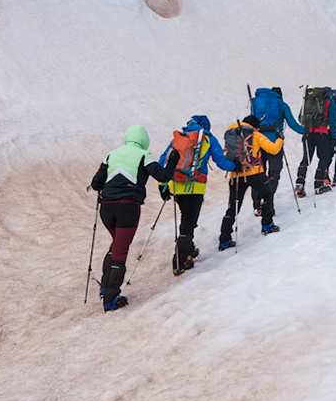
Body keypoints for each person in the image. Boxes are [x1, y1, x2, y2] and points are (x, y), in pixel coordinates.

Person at [88, 124, 172, 312]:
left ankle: (106, 285)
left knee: (116, 245)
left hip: (106, 209)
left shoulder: (111, 155)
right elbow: (164, 176)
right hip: (128, 208)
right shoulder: (144, 156)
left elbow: (95, 184)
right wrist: (173, 160)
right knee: (120, 251)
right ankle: (110, 299)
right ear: (144, 140)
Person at [159, 115, 235, 275]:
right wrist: (236, 166)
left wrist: (163, 184)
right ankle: (180, 260)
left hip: (177, 185)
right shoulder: (207, 138)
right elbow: (221, 161)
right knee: (189, 222)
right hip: (196, 187)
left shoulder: (179, 137)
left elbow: (162, 160)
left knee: (185, 217)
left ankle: (189, 249)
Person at [219, 114, 283, 250]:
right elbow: (273, 149)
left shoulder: (231, 135)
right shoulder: (255, 135)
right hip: (254, 173)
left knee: (233, 206)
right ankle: (267, 224)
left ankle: (224, 239)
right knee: (267, 193)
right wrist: (279, 138)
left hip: (235, 175)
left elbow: (227, 154)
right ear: (255, 127)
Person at [251, 86, 307, 198]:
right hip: (275, 143)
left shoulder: (256, 104)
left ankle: (257, 205)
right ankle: (267, 200)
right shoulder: (281, 105)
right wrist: (305, 131)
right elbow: (292, 124)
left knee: (259, 173)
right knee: (274, 173)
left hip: (258, 142)